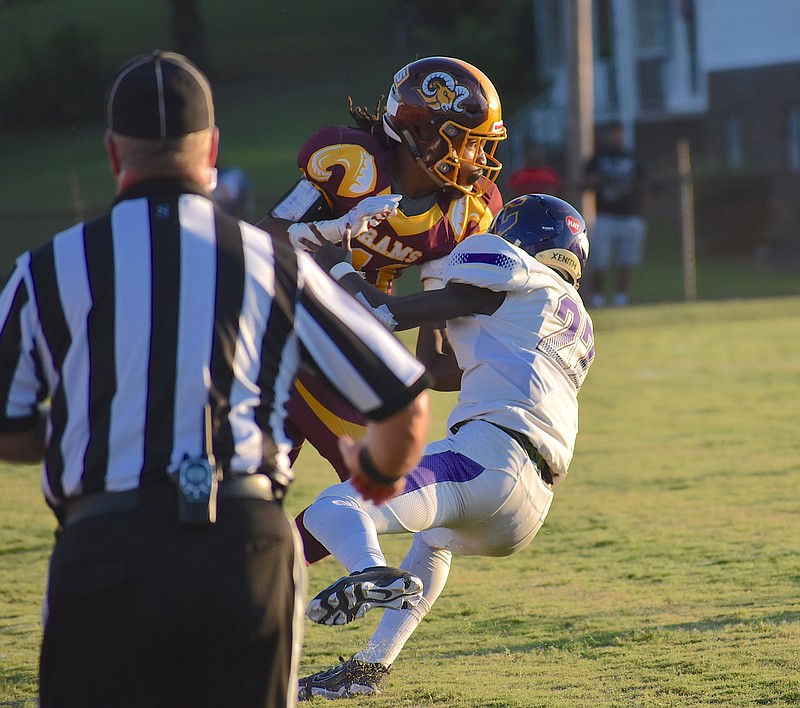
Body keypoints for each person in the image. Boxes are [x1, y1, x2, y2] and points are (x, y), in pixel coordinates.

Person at [0, 50, 431, 708]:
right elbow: (401, 393)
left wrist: (73, 428)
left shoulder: (47, 269)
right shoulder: (269, 261)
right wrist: (375, 472)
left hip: (104, 545)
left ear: (115, 155)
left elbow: (9, 426)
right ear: (213, 152)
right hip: (242, 546)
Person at [295, 193, 596, 700]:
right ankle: (368, 670)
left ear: (518, 239)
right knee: (432, 540)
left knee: (336, 506)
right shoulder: (569, 318)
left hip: (489, 457)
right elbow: (436, 370)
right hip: (529, 508)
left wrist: (337, 264)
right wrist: (436, 280)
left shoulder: (505, 265)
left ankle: (368, 569)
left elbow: (382, 313)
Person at [255, 56, 508, 564]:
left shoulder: (463, 212)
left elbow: (434, 362)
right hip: (284, 329)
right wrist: (330, 235)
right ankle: (273, 572)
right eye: (468, 140)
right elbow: (262, 241)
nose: (478, 158)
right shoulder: (355, 165)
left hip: (346, 342)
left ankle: (255, 572)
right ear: (423, 132)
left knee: (255, 490)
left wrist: (505, 370)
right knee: (377, 466)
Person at [583, 120, 648, 307]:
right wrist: (595, 181)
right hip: (605, 215)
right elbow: (585, 183)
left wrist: (643, 212)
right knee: (599, 259)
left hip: (630, 215)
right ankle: (598, 297)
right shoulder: (598, 159)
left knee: (626, 260)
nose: (615, 137)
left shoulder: (632, 157)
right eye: (612, 133)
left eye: (618, 133)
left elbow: (643, 183)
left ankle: (622, 297)